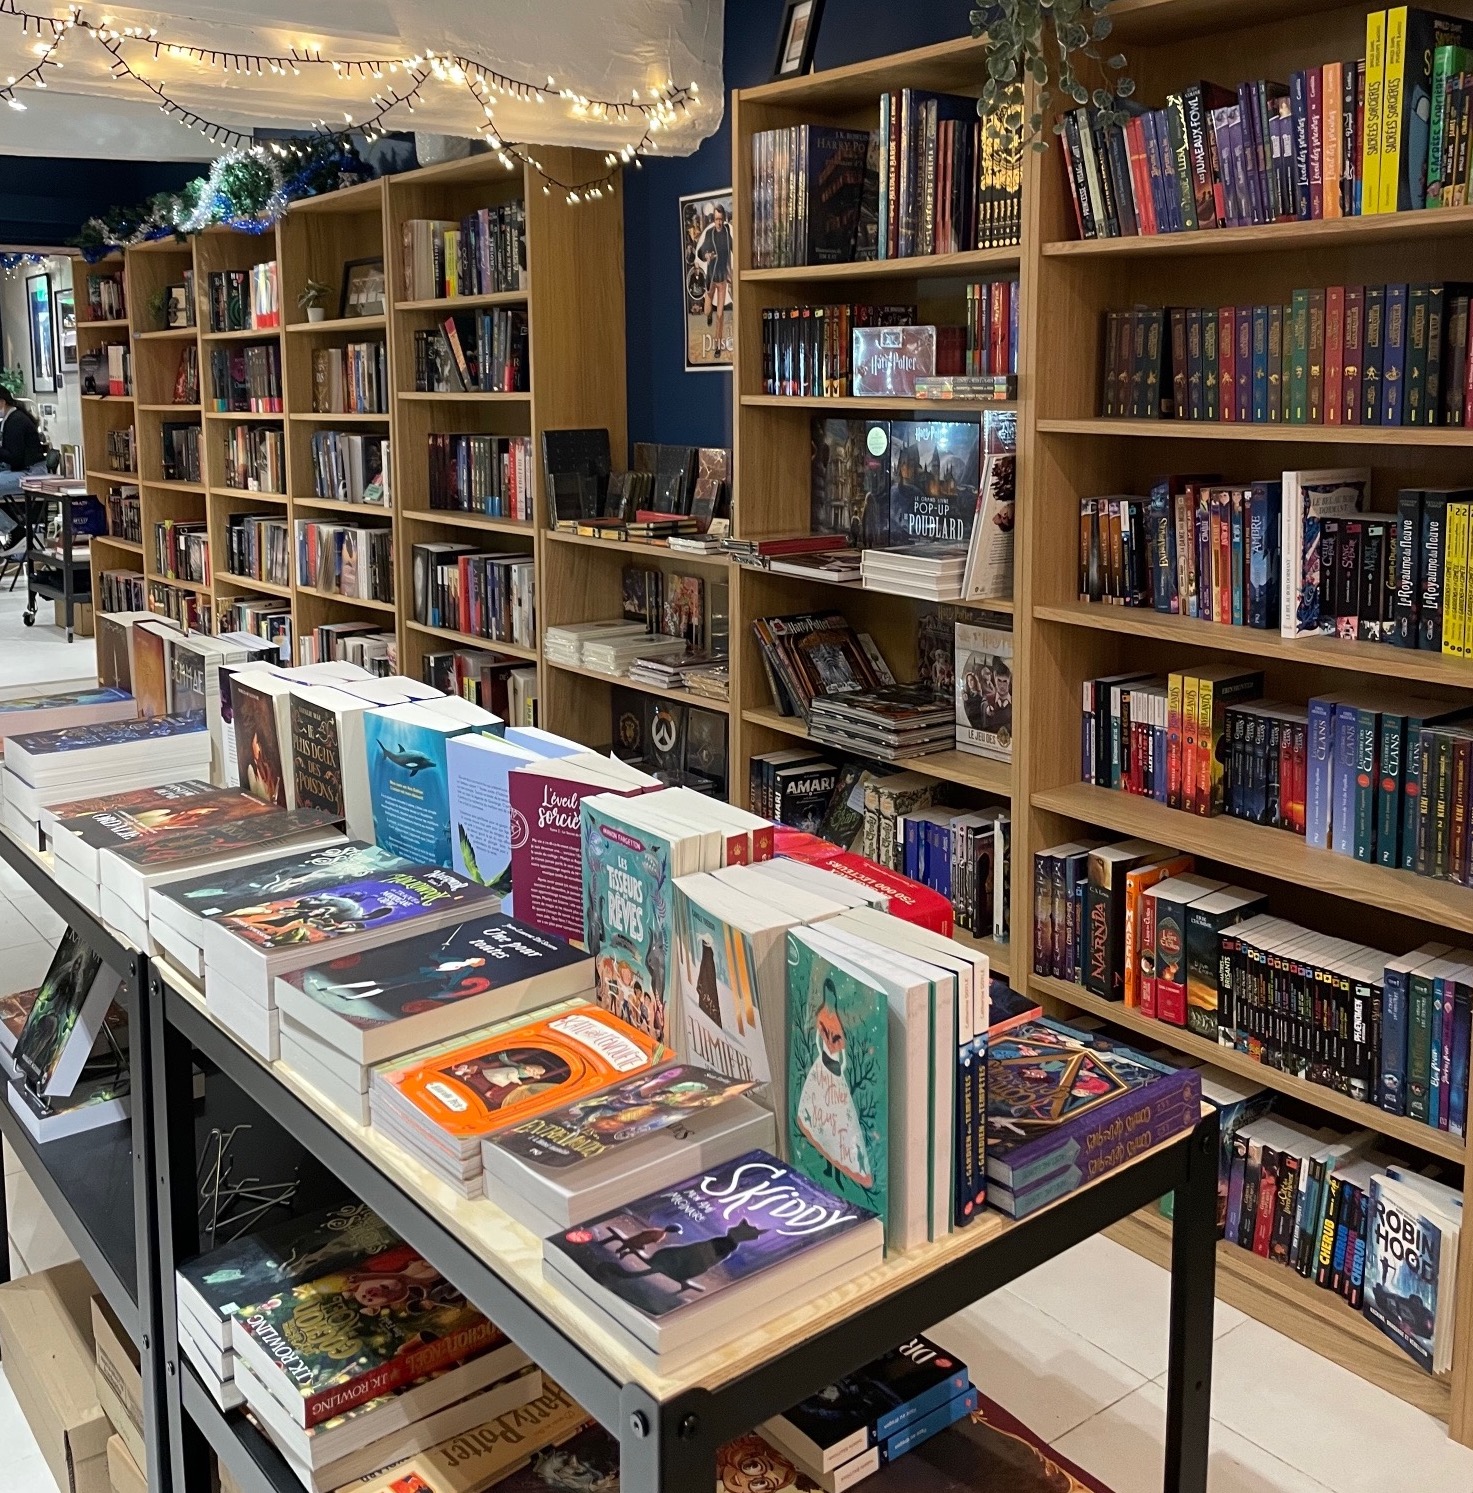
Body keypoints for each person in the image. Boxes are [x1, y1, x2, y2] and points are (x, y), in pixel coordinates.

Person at [694, 201, 732, 352]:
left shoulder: (727, 233)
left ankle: (717, 345)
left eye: (721, 219)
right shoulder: (710, 234)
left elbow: (733, 249)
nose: (719, 222)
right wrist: (706, 255)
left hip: (722, 279)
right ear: (714, 219)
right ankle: (708, 313)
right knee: (707, 310)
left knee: (720, 315)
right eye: (717, 219)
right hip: (711, 278)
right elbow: (700, 252)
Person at [0, 388, 46, 497]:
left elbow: (15, 458)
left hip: (31, 473)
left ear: (2, 402)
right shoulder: (10, 419)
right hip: (21, 469)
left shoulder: (16, 421)